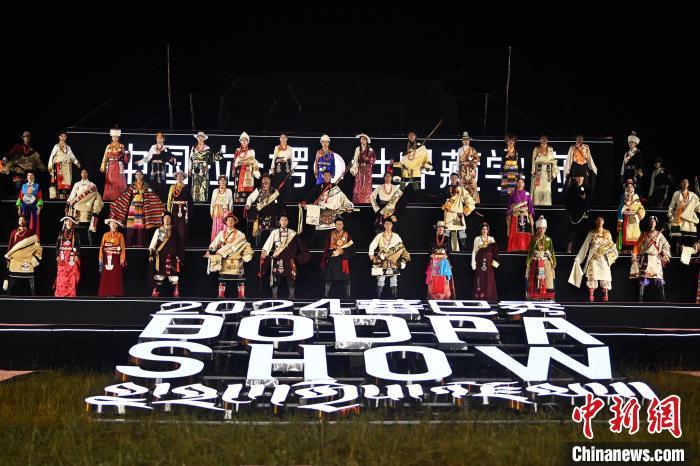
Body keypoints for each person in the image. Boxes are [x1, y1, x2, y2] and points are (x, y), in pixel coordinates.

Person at [109, 170, 165, 247]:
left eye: (140, 174)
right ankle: (130, 244)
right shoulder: (131, 186)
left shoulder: (146, 186)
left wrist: (158, 203)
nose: (138, 176)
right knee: (131, 225)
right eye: (137, 174)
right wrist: (117, 203)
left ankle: (140, 244)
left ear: (142, 176)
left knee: (141, 225)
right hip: (132, 208)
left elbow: (152, 196)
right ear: (135, 176)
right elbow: (126, 196)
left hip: (142, 208)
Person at [569, 216, 618, 302]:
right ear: (595, 222)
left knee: (605, 275)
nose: (600, 221)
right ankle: (591, 293)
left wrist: (611, 253)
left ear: (603, 222)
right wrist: (578, 258)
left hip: (603, 257)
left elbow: (612, 245)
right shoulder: (591, 233)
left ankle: (605, 292)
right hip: (593, 258)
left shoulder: (607, 233)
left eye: (601, 220)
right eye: (598, 220)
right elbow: (585, 246)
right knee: (592, 276)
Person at [260, 214, 310, 299]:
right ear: (279, 222)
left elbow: (301, 246)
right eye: (282, 220)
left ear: (288, 222)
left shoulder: (292, 233)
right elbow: (269, 243)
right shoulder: (275, 232)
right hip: (277, 259)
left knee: (291, 280)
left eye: (285, 220)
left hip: (289, 259)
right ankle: (274, 298)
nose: (283, 222)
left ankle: (292, 298)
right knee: (275, 280)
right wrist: (264, 252)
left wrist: (301, 257)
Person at [206, 213, 254, 298]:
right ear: (226, 222)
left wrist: (245, 255)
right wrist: (210, 250)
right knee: (222, 278)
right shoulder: (221, 233)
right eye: (228, 220)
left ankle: (241, 295)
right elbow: (214, 244)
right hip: (225, 258)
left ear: (234, 222)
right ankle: (221, 295)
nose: (230, 222)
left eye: (232, 220)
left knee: (240, 279)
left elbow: (245, 245)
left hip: (236, 259)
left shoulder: (240, 234)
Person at [301, 170, 355, 236]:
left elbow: (343, 198)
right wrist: (305, 201)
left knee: (331, 236)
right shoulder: (318, 187)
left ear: (330, 176)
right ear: (323, 176)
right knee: (320, 236)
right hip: (321, 214)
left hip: (332, 215)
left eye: (328, 175)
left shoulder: (335, 187)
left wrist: (348, 206)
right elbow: (310, 195)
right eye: (325, 175)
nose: (327, 176)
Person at [631, 216, 671, 302]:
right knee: (643, 279)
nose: (652, 223)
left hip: (656, 259)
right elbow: (637, 246)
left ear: (656, 223)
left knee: (659, 279)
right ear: (649, 223)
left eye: (654, 221)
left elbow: (666, 245)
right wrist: (634, 255)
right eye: (651, 221)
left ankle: (663, 300)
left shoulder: (660, 235)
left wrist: (663, 253)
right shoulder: (644, 234)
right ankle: (640, 300)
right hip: (646, 258)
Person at [368, 218, 411, 298]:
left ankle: (395, 297)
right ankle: (378, 297)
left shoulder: (396, 236)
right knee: (380, 279)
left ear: (392, 225)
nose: (388, 225)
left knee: (394, 279)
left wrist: (404, 260)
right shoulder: (380, 235)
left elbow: (401, 248)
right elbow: (372, 244)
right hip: (381, 258)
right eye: (386, 224)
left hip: (393, 259)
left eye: (390, 224)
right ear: (384, 225)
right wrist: (371, 254)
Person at [148, 212, 183, 297]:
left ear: (171, 220)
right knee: (159, 275)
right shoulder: (158, 231)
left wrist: (180, 256)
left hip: (172, 257)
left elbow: (180, 245)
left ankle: (176, 291)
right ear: (162, 220)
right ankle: (156, 291)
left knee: (173, 276)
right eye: (165, 218)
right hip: (161, 257)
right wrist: (151, 254)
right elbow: (153, 244)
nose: (167, 220)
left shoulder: (175, 231)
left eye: (168, 218)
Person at [4, 216, 42, 296]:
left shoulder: (31, 232)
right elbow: (10, 245)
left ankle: (34, 295)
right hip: (16, 260)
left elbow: (36, 245)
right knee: (12, 281)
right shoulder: (13, 232)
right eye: (20, 220)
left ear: (26, 222)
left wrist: (35, 257)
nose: (21, 221)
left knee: (31, 281)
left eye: (23, 220)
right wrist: (8, 256)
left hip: (27, 260)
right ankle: (7, 296)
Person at [66, 169, 104, 246]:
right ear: (81, 174)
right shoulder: (77, 184)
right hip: (77, 210)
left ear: (87, 174)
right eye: (82, 172)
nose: (83, 174)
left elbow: (96, 197)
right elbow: (72, 196)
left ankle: (88, 246)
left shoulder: (92, 185)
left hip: (87, 210)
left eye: (85, 172)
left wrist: (95, 210)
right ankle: (76, 245)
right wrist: (68, 204)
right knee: (77, 229)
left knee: (87, 229)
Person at [320, 217, 355, 298]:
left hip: (343, 259)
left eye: (340, 224)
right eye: (337, 224)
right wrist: (324, 260)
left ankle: (348, 296)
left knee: (347, 279)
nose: (339, 225)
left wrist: (343, 252)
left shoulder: (346, 234)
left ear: (343, 225)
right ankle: (326, 295)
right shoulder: (331, 234)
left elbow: (351, 247)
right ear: (335, 225)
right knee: (329, 278)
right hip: (333, 258)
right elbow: (326, 247)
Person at [393, 130, 432, 201]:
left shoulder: (420, 146)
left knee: (416, 187)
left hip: (415, 169)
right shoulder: (403, 145)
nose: (411, 136)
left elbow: (425, 155)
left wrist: (427, 164)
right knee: (402, 187)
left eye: (413, 135)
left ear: (415, 136)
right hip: (405, 168)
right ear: (408, 136)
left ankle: (416, 201)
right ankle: (397, 201)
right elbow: (398, 156)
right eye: (410, 135)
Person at [244, 172, 281, 247]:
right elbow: (250, 198)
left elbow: (280, 203)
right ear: (262, 181)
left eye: (267, 179)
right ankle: (258, 249)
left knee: (274, 233)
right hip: (261, 215)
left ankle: (275, 250)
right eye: (264, 179)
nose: (265, 181)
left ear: (270, 181)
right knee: (258, 233)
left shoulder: (274, 191)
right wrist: (248, 204)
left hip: (272, 214)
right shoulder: (258, 190)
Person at [441, 173, 475, 251]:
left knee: (461, 233)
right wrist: (444, 204)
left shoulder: (461, 189)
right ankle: (447, 251)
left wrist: (465, 210)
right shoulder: (445, 189)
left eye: (455, 178)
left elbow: (469, 201)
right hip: (449, 214)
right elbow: (441, 200)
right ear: (450, 178)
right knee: (447, 233)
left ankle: (462, 252)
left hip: (458, 214)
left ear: (457, 179)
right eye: (452, 178)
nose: (453, 179)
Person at [526, 216, 557, 300]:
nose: (542, 230)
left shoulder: (549, 239)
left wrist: (553, 261)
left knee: (548, 276)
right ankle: (535, 294)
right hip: (536, 260)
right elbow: (530, 250)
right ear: (537, 228)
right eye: (540, 228)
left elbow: (552, 251)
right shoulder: (533, 239)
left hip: (545, 260)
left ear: (545, 229)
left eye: (543, 228)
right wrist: (528, 261)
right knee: (536, 276)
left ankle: (548, 294)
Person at [667, 178, 700, 255]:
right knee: (675, 241)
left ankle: (688, 259)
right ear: (680, 184)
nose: (685, 184)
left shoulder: (693, 195)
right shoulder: (676, 193)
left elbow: (697, 207)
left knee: (689, 242)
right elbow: (671, 206)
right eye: (684, 182)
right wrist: (670, 216)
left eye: (687, 182)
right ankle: (676, 258)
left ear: (688, 184)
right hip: (677, 219)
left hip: (689, 221)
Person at [139, 132, 176, 200]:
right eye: (158, 138)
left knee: (161, 186)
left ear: (163, 139)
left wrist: (172, 160)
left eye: (161, 138)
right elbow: (148, 157)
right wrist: (139, 162)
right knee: (152, 186)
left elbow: (170, 159)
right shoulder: (153, 147)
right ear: (156, 139)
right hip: (153, 169)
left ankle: (161, 202)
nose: (159, 139)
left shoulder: (166, 148)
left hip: (162, 170)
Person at [189, 131, 223, 203]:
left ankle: (203, 202)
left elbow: (211, 159)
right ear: (197, 138)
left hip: (204, 168)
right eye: (199, 137)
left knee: (203, 185)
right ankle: (194, 202)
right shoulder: (193, 147)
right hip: (195, 168)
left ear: (204, 138)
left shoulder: (207, 148)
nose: (200, 138)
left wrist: (208, 165)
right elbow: (190, 159)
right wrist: (189, 169)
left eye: (202, 137)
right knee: (195, 185)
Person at [47, 131, 81, 199]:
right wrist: (50, 166)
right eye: (62, 136)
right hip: (59, 167)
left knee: (67, 183)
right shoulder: (56, 146)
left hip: (67, 167)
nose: (63, 137)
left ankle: (66, 198)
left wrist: (76, 162)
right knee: (59, 182)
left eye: (64, 136)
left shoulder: (68, 147)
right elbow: (51, 156)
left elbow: (72, 156)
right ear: (59, 137)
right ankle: (59, 198)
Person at [471, 222, 500, 301]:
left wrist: (495, 262)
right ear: (481, 230)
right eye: (483, 229)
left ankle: (489, 297)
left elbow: (495, 252)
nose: (484, 231)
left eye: (486, 229)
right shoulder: (477, 239)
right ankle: (479, 298)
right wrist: (473, 263)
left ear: (488, 230)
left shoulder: (491, 239)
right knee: (480, 279)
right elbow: (474, 251)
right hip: (479, 262)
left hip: (489, 263)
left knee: (489, 279)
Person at [98, 218, 126, 297]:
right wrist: (100, 257)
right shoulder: (105, 235)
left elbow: (123, 247)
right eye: (111, 224)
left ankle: (115, 293)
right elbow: (102, 246)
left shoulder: (120, 235)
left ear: (117, 225)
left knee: (115, 276)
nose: (113, 225)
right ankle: (106, 293)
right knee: (106, 276)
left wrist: (122, 258)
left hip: (116, 258)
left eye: (114, 224)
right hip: (107, 258)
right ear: (109, 225)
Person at [426, 221, 454, 299]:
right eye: (439, 227)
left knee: (444, 279)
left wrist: (446, 255)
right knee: (433, 279)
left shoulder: (447, 238)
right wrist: (431, 255)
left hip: (443, 262)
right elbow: (429, 250)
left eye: (442, 227)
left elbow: (449, 250)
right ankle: (433, 297)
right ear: (437, 228)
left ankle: (444, 297)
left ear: (444, 229)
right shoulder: (433, 238)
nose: (440, 229)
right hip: (434, 261)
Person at [100, 128, 130, 201]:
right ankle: (110, 199)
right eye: (113, 137)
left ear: (118, 137)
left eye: (116, 137)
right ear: (111, 137)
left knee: (119, 182)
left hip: (118, 166)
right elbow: (105, 157)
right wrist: (103, 166)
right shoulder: (108, 146)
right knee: (110, 182)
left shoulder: (121, 146)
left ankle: (120, 199)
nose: (115, 138)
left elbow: (125, 159)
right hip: (110, 166)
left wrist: (127, 155)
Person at [166, 171, 193, 253]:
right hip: (174, 209)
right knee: (174, 226)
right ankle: (173, 244)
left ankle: (182, 246)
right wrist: (168, 212)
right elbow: (169, 200)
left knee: (182, 228)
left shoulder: (187, 187)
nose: (179, 177)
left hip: (184, 210)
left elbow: (190, 200)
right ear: (176, 177)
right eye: (178, 176)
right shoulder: (172, 187)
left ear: (183, 178)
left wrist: (190, 211)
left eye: (181, 176)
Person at [54, 216, 81, 297]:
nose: (68, 223)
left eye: (70, 221)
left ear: (72, 223)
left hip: (71, 257)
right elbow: (57, 245)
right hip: (62, 257)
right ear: (65, 222)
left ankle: (71, 293)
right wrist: (57, 255)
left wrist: (77, 255)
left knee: (72, 276)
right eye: (67, 221)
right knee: (61, 275)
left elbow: (78, 245)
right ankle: (60, 293)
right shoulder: (61, 233)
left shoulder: (76, 233)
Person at [617, 179, 646, 253]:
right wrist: (620, 219)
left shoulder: (636, 197)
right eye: (628, 186)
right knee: (624, 240)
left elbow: (641, 208)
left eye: (631, 186)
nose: (630, 188)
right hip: (625, 221)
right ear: (626, 188)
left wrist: (637, 216)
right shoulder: (623, 197)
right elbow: (620, 208)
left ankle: (634, 254)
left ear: (633, 188)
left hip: (634, 222)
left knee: (635, 240)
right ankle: (624, 255)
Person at [505, 177, 534, 252]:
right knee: (514, 233)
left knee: (524, 233)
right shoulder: (512, 194)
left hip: (524, 215)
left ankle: (525, 248)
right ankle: (514, 248)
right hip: (515, 215)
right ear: (516, 184)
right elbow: (509, 205)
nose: (520, 184)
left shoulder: (527, 194)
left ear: (524, 184)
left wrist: (530, 214)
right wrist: (508, 214)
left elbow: (530, 205)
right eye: (519, 182)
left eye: (522, 182)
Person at [232, 131, 261, 203]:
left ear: (248, 141)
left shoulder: (251, 151)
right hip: (239, 172)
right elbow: (235, 162)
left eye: (246, 140)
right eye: (242, 140)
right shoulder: (237, 150)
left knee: (249, 191)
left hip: (248, 172)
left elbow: (253, 161)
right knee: (238, 190)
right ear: (240, 141)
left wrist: (242, 162)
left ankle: (248, 205)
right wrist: (233, 170)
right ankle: (238, 206)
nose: (244, 141)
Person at [531, 135, 560, 206]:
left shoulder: (550, 148)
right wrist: (533, 171)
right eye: (542, 139)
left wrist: (554, 173)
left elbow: (552, 160)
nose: (544, 140)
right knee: (537, 188)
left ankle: (546, 206)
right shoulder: (536, 149)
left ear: (547, 140)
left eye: (545, 139)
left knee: (547, 189)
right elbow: (533, 160)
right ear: (540, 140)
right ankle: (537, 205)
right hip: (539, 171)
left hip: (548, 172)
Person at [565, 175, 591, 253]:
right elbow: (567, 201)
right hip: (573, 214)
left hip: (583, 215)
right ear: (575, 178)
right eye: (578, 177)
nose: (579, 179)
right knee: (572, 232)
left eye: (581, 177)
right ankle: (569, 248)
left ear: (583, 178)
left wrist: (585, 198)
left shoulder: (587, 188)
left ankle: (584, 250)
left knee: (584, 233)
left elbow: (590, 202)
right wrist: (570, 210)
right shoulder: (571, 188)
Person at [350, 133, 376, 204]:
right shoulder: (358, 149)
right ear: (360, 140)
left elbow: (374, 160)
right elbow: (355, 160)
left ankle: (367, 202)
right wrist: (354, 169)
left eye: (364, 139)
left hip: (367, 171)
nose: (363, 140)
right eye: (362, 139)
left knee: (367, 186)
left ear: (367, 140)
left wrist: (369, 159)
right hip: (360, 170)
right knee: (359, 185)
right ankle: (358, 202)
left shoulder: (370, 149)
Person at [16, 171, 43, 239]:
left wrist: (39, 208)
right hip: (24, 207)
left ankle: (33, 239)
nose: (30, 177)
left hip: (33, 207)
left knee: (33, 224)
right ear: (27, 177)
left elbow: (40, 198)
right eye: (28, 175)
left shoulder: (37, 186)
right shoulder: (23, 186)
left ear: (34, 177)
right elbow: (20, 197)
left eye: (31, 175)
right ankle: (23, 238)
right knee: (23, 222)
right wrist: (19, 208)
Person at [270, 133, 294, 202]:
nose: (283, 138)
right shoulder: (277, 147)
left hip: (287, 167)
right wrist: (272, 168)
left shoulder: (290, 148)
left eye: (284, 137)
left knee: (286, 184)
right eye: (281, 137)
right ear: (279, 139)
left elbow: (292, 159)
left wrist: (292, 169)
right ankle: (276, 202)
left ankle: (286, 202)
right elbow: (274, 158)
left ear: (287, 138)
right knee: (277, 185)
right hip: (278, 167)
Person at [458, 131, 480, 203]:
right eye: (464, 140)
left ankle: (472, 202)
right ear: (462, 141)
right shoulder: (460, 149)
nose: (466, 141)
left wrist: (471, 163)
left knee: (472, 185)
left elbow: (477, 159)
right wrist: (457, 170)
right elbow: (458, 160)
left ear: (469, 141)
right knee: (462, 185)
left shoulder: (473, 150)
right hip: (462, 171)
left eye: (467, 140)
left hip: (470, 171)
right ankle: (463, 202)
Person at [210, 175, 233, 242]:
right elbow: (212, 202)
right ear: (219, 182)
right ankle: (216, 244)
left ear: (226, 182)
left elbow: (231, 202)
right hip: (217, 212)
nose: (222, 181)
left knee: (225, 227)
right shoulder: (215, 191)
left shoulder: (229, 191)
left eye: (224, 180)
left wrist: (230, 211)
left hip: (225, 211)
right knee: (217, 227)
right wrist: (212, 212)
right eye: (221, 180)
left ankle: (225, 243)